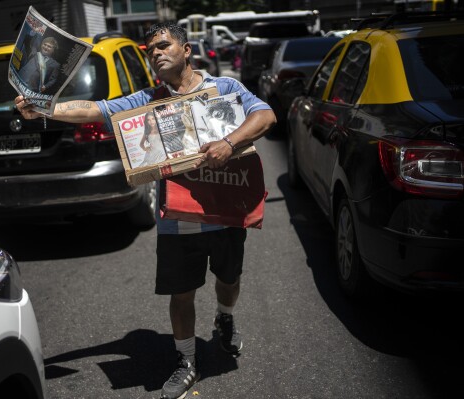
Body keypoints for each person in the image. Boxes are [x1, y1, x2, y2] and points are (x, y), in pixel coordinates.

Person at [15, 22, 276, 399]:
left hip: (224, 211)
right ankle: (187, 362)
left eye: (164, 45)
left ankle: (225, 316)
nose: (155, 52)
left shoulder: (226, 89)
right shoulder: (146, 100)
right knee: (181, 293)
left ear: (187, 50)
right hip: (178, 219)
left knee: (229, 280)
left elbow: (266, 117)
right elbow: (94, 109)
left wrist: (229, 144)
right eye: (150, 49)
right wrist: (44, 107)